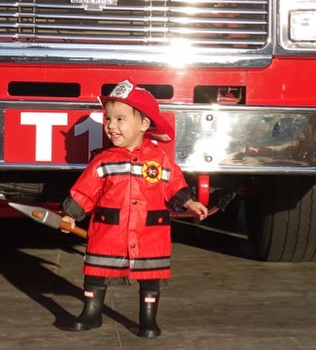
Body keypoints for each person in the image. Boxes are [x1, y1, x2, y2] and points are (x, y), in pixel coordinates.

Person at [62, 78, 209, 338]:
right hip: (110, 229)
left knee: (150, 275)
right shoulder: (103, 160)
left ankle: (148, 320)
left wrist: (190, 201)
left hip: (149, 231)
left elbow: (174, 183)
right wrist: (71, 215)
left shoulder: (160, 160)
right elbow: (86, 189)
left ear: (143, 124)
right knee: (96, 270)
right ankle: (92, 312)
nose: (111, 126)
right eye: (108, 119)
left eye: (120, 119)